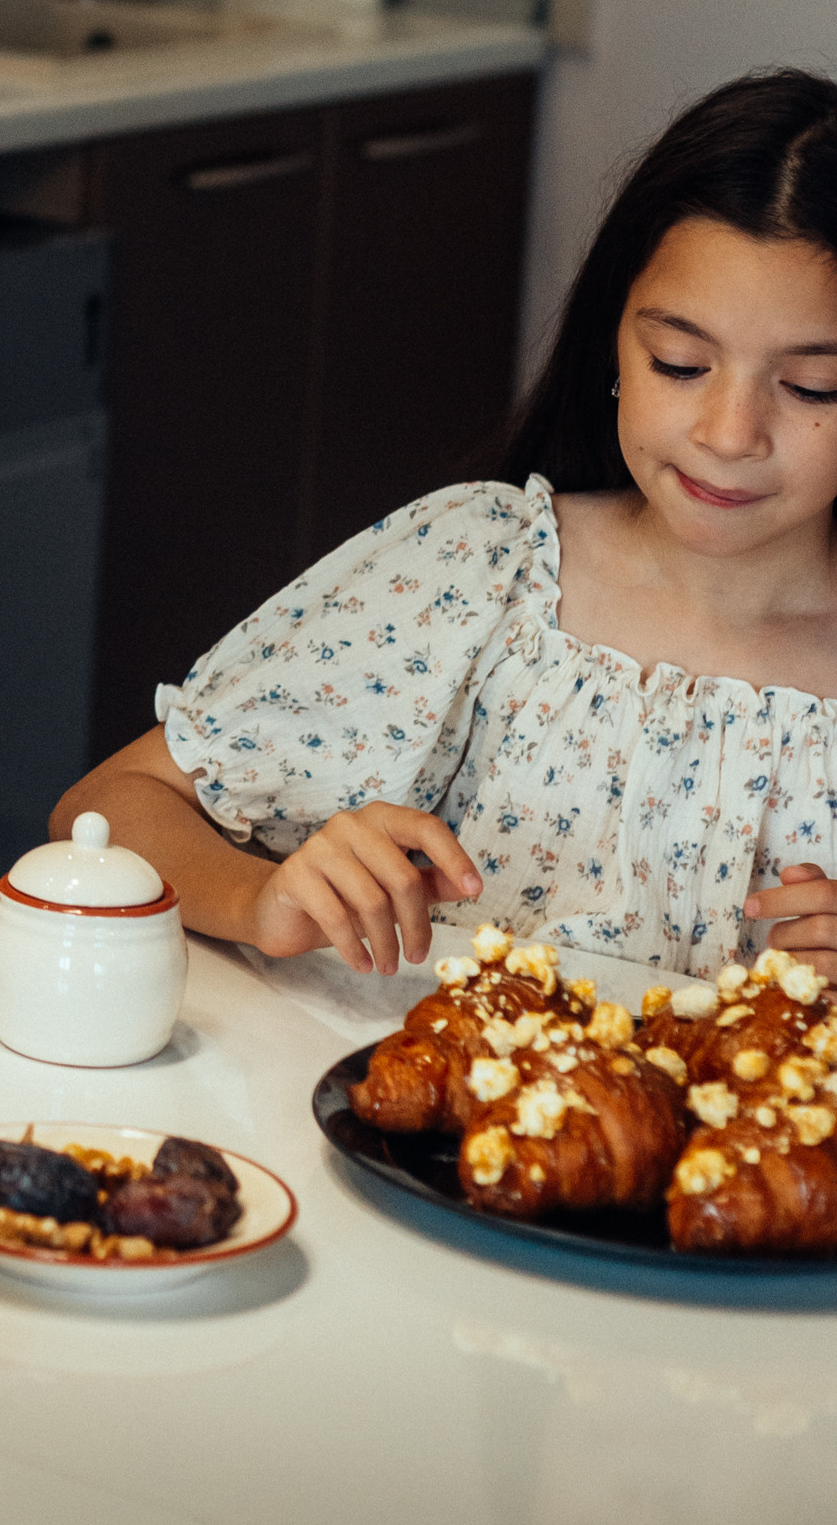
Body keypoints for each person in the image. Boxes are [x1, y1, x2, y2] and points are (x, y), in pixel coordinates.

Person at [54, 68, 837, 984]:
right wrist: (260, 899)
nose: (729, 435)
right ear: (613, 347)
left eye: (814, 387)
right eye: (678, 363)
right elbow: (108, 806)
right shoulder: (478, 569)